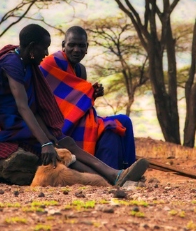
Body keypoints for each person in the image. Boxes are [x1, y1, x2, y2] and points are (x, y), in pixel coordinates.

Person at [0, 23, 149, 186]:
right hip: (2, 126)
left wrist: (50, 135)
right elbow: (22, 106)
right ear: (31, 47)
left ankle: (115, 174)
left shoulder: (28, 64)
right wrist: (45, 142)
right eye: (43, 48)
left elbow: (35, 107)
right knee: (59, 148)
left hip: (18, 121)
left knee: (65, 141)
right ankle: (111, 178)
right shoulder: (11, 64)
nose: (47, 53)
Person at [39, 26, 137, 170]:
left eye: (81, 46)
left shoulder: (80, 70)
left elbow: (78, 101)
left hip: (78, 119)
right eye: (72, 45)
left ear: (87, 48)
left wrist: (92, 94)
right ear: (63, 46)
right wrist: (86, 93)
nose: (76, 50)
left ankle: (129, 168)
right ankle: (119, 171)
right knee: (111, 127)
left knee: (125, 121)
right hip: (59, 125)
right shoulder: (50, 64)